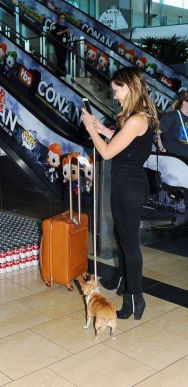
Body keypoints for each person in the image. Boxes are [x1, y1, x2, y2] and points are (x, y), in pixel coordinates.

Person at [82, 67, 160, 320]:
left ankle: (135, 299)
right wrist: (102, 129)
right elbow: (124, 142)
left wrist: (90, 128)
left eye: (117, 90)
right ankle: (127, 289)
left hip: (128, 188)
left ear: (130, 87)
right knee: (123, 237)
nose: (115, 95)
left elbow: (106, 153)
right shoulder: (136, 117)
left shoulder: (137, 119)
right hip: (126, 185)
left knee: (129, 245)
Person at [158, 90, 188, 162]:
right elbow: (156, 132)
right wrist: (161, 147)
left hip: (184, 162)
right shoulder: (172, 116)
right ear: (185, 102)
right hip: (171, 159)